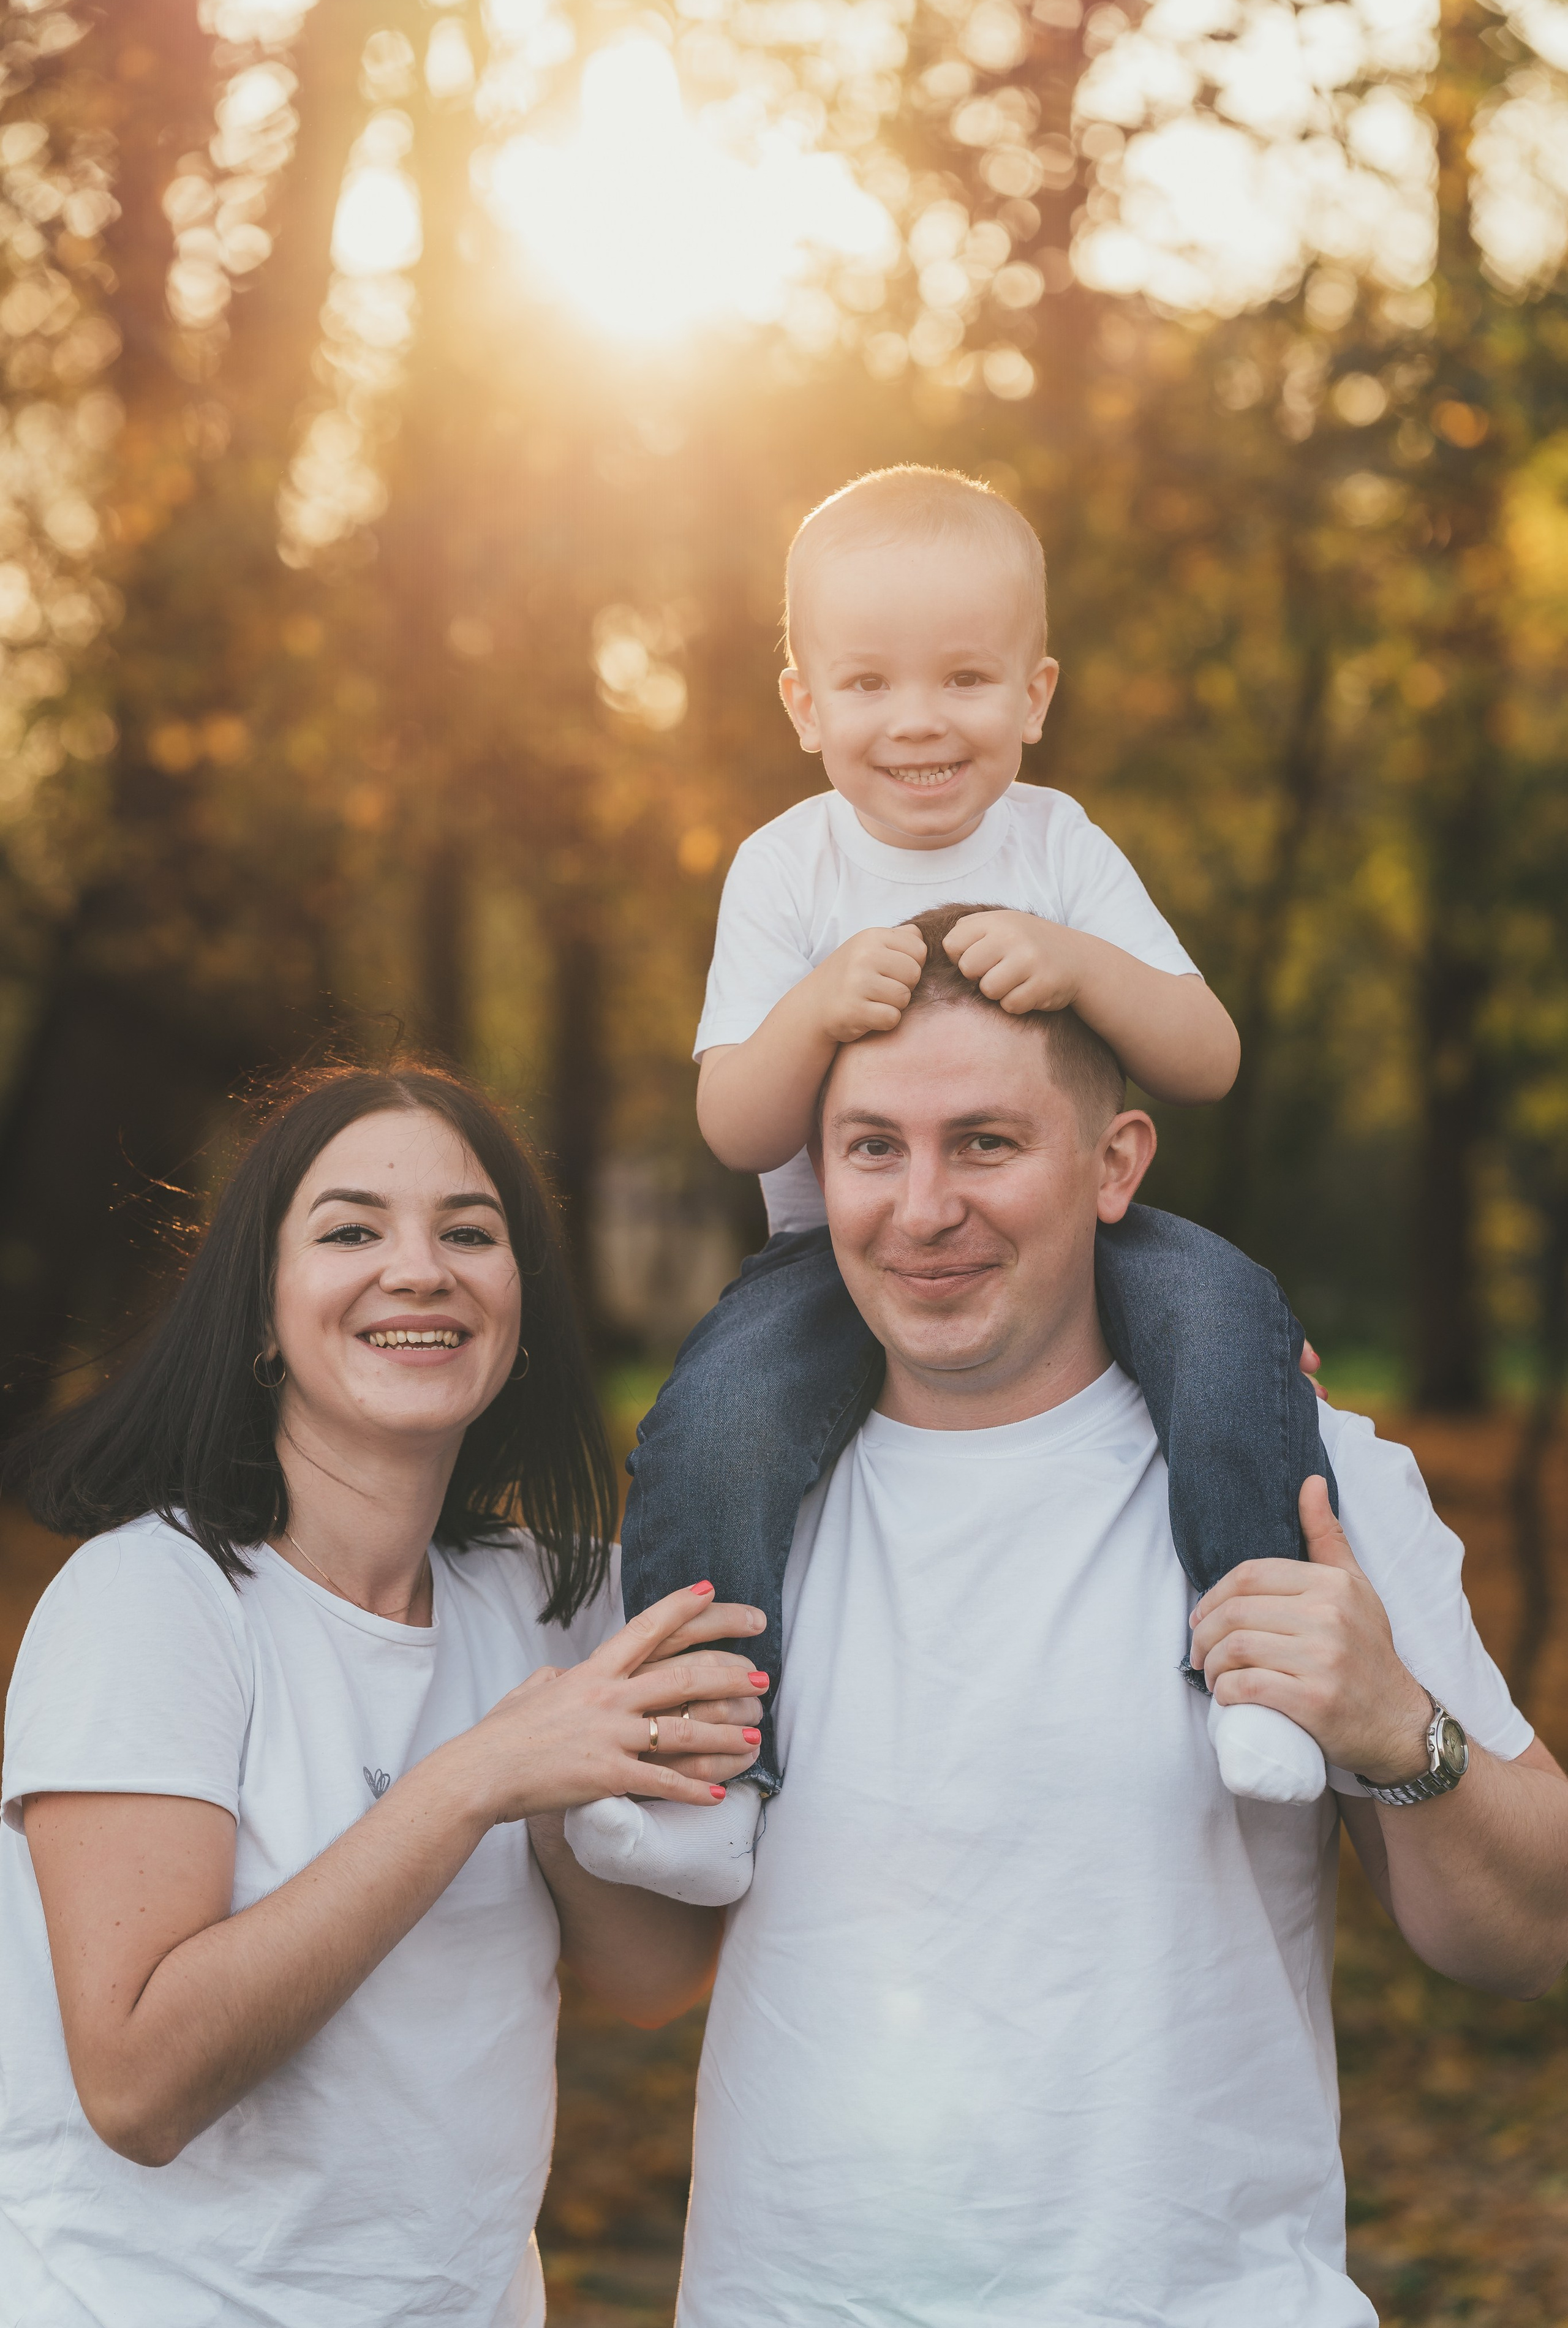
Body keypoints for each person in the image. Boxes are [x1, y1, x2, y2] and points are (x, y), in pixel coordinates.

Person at [674, 936, 1568, 2325]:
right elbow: (637, 1963)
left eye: (985, 1143)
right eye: (872, 1149)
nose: (923, 1208)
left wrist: (1400, 1730)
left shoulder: (1304, 1479)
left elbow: (1534, 1940)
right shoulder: (715, 1518)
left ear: (1115, 1165)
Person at [570, 464, 1332, 1908]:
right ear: (803, 705)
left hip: (1073, 1235)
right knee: (714, 1428)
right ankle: (707, 1771)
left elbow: (1208, 1054)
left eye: (964, 678)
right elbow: (733, 1123)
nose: (916, 720)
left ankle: (1260, 1677)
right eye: (867, 682)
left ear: (1033, 696)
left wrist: (1082, 964)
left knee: (1231, 1325)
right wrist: (811, 1010)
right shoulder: (785, 870)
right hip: (834, 1258)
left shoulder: (1058, 845)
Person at [0, 1063, 766, 2328]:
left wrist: (557, 1795)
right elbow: (136, 2087)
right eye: (351, 1231)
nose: (419, 1270)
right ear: (261, 1314)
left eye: (469, 1233)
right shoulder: (153, 1600)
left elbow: (651, 1978)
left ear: (521, 1311)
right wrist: (474, 1779)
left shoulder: (551, 1601)